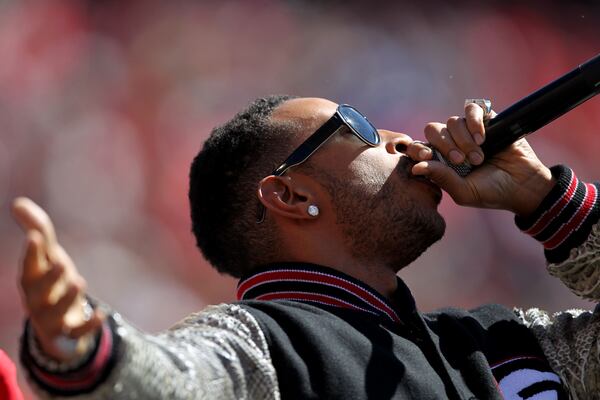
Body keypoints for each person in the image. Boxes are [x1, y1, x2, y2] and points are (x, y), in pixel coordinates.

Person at [14, 95, 600, 399]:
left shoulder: (501, 346)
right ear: (290, 195)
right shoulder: (266, 347)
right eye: (360, 127)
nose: (402, 138)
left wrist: (551, 203)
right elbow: (178, 380)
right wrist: (81, 345)